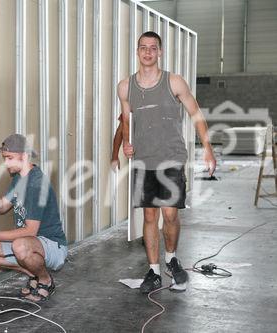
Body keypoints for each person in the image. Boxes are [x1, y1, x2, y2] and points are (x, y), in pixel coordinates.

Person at [118, 31, 216, 293]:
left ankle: (171, 260)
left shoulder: (174, 82)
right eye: (143, 48)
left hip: (171, 158)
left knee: (170, 214)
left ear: (159, 52)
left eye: (153, 48)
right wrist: (126, 142)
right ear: (137, 52)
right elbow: (126, 119)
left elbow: (196, 114)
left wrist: (207, 148)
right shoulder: (125, 86)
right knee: (149, 216)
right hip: (143, 161)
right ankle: (153, 271)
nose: (148, 52)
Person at [0, 133, 68, 302]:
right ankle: (34, 274)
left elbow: (31, 231)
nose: (6, 163)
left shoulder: (36, 184)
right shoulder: (18, 179)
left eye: (10, 158)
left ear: (24, 156)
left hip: (52, 245)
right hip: (28, 243)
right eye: (5, 158)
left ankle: (45, 280)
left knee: (20, 246)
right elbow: (1, 207)